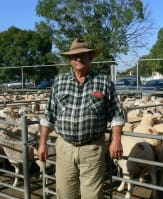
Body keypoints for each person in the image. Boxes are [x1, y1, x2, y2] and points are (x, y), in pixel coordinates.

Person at [37, 38, 124, 199]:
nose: (78, 59)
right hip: (64, 148)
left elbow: (116, 115)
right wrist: (42, 143)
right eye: (74, 56)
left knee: (92, 196)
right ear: (69, 60)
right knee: (65, 194)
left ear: (90, 57)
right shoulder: (59, 82)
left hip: (92, 149)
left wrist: (116, 140)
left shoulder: (103, 82)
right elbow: (49, 115)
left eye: (83, 55)